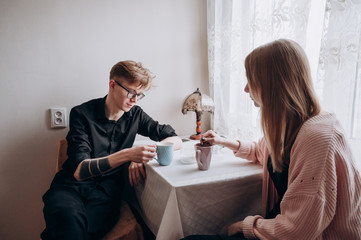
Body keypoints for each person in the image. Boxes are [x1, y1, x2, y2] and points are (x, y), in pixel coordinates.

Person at [182, 39, 361, 240]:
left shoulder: (317, 137)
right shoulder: (292, 124)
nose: (245, 88)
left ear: (272, 84)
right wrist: (222, 141)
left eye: (251, 80)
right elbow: (262, 151)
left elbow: (297, 230)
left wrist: (246, 225)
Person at [41, 60, 182, 240]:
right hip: (70, 187)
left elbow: (175, 138)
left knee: (78, 232)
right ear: (112, 85)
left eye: (140, 95)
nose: (135, 100)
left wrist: (140, 155)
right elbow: (79, 171)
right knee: (66, 221)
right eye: (131, 92)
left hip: (106, 194)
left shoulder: (136, 115)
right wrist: (128, 154)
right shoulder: (82, 114)